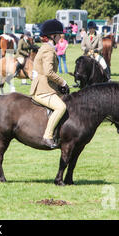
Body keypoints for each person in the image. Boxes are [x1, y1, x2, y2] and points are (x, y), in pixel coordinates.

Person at [30, 19, 69, 149]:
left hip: (47, 86)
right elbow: (48, 72)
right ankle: (47, 136)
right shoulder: (48, 50)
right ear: (53, 36)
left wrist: (59, 87)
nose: (61, 37)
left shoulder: (47, 48)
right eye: (59, 34)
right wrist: (63, 82)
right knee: (61, 108)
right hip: (42, 89)